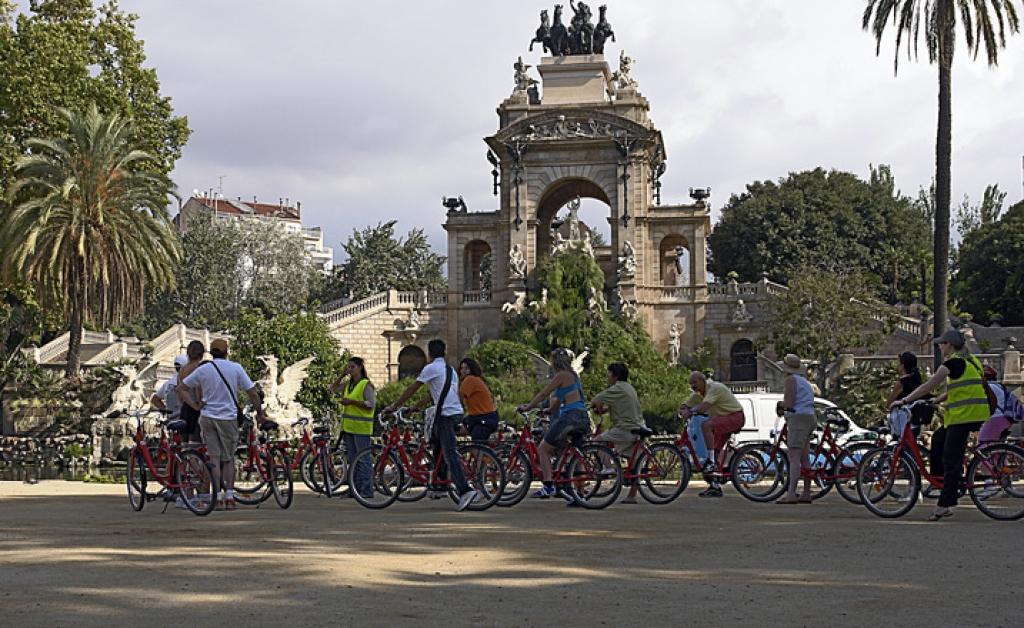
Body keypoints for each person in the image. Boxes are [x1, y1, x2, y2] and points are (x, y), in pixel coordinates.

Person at [891, 329, 989, 521]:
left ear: (950, 345)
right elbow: (962, 387)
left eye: (942, 344)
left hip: (963, 416)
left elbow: (929, 384)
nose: (939, 347)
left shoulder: (952, 363)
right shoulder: (972, 361)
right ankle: (943, 482)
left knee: (951, 460)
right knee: (938, 439)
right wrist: (937, 400)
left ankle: (944, 505)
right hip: (974, 413)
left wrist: (904, 401)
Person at [384, 339, 478, 512]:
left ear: (429, 354)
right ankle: (439, 484)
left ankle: (465, 490)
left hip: (445, 415)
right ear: (445, 353)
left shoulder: (431, 368)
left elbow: (413, 388)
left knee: (449, 452)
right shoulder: (450, 370)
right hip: (456, 412)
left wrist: (394, 406)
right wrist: (415, 407)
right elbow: (434, 393)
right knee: (437, 444)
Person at [178, 338, 265, 511]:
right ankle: (230, 496)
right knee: (229, 458)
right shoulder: (235, 368)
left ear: (210, 352)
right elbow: (252, 393)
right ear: (227, 352)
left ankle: (217, 497)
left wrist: (195, 405)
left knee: (214, 458)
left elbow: (181, 388)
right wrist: (260, 412)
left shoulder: (204, 369)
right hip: (228, 417)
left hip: (208, 416)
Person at [516, 348, 591, 501]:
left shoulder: (561, 375)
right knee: (576, 453)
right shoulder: (573, 376)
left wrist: (528, 407)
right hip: (582, 417)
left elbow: (544, 393)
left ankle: (548, 486)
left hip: (570, 417)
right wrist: (549, 410)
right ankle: (578, 493)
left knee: (543, 449)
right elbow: (559, 398)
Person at [678, 371, 746, 497]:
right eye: (691, 384)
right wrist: (683, 410)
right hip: (721, 420)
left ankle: (711, 462)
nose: (693, 386)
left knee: (706, 425)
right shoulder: (697, 394)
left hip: (735, 417)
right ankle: (715, 486)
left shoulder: (715, 388)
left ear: (703, 380)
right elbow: (684, 405)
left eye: (695, 382)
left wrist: (690, 411)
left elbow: (704, 407)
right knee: (714, 451)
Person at [590, 362, 646, 504]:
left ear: (614, 375)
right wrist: (604, 409)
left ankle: (608, 468)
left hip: (625, 428)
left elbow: (596, 399)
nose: (607, 377)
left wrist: (595, 407)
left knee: (597, 441)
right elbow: (620, 406)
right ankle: (632, 496)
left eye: (608, 374)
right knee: (633, 463)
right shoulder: (628, 388)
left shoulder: (617, 388)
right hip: (637, 426)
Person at [774, 354, 816, 504]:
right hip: (810, 417)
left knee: (794, 457)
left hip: (798, 419)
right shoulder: (805, 382)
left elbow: (790, 403)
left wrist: (780, 404)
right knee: (805, 457)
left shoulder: (791, 381)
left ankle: (791, 493)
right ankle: (806, 492)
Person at [331, 357, 375, 499]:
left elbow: (370, 404)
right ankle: (354, 488)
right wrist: (341, 375)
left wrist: (352, 402)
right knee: (352, 459)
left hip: (361, 428)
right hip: (349, 428)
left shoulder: (365, 384)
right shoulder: (348, 384)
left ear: (360, 367)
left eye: (352, 367)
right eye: (348, 367)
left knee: (363, 460)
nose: (350, 370)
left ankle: (366, 490)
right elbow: (332, 388)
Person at [884, 352, 933, 437]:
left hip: (903, 420)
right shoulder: (916, 379)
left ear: (903, 366)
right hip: (916, 419)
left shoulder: (901, 383)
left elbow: (889, 403)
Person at [978, 366, 1023, 445]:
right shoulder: (999, 386)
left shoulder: (989, 387)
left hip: (996, 418)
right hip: (1005, 418)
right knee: (995, 445)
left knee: (983, 443)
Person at [458, 358, 498, 444]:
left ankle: (487, 457)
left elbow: (459, 398)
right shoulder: (477, 379)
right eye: (462, 368)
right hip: (479, 416)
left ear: (472, 369)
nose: (463, 371)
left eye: (466, 368)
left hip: (483, 417)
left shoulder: (470, 379)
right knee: (459, 430)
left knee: (477, 446)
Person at [176, 341, 206, 446]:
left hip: (185, 408)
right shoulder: (199, 368)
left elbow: (179, 392)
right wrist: (198, 403)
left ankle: (185, 462)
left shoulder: (182, 370)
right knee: (195, 443)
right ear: (202, 353)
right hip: (197, 407)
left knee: (185, 444)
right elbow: (198, 388)